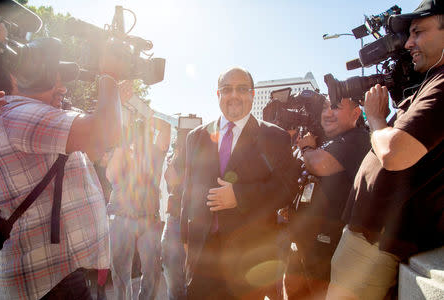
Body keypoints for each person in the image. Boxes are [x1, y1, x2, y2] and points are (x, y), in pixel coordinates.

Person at [0, 26, 131, 299]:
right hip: (46, 281)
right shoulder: (21, 115)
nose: (63, 87)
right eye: (53, 78)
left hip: (55, 275)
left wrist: (113, 96)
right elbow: (104, 132)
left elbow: (89, 143)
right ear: (20, 77)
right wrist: (109, 76)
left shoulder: (28, 115)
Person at [327, 1, 444, 299]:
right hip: (373, 239)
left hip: (378, 242)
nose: (408, 43)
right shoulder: (432, 80)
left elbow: (393, 153)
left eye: (418, 32)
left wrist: (377, 117)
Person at [180, 67, 297, 299]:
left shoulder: (275, 137)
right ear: (218, 95)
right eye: (227, 89)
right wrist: (185, 238)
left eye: (242, 89)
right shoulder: (196, 137)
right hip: (203, 256)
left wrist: (239, 196)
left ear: (252, 94)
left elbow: (286, 189)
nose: (234, 95)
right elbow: (188, 190)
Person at [283, 97, 370, 299]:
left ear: (356, 114)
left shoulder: (358, 138)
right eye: (325, 107)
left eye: (336, 107)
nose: (328, 113)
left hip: (328, 246)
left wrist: (306, 148)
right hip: (304, 239)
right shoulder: (324, 141)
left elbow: (319, 164)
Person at [106, 116, 170, 300]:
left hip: (149, 220)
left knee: (152, 271)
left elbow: (165, 129)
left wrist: (146, 114)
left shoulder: (156, 154)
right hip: (120, 218)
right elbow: (110, 176)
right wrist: (122, 144)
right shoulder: (122, 154)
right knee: (119, 273)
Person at [161, 139, 188, 300]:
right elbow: (170, 179)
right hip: (176, 220)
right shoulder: (178, 157)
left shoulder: (208, 154)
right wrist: (179, 151)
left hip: (198, 222)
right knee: (174, 280)